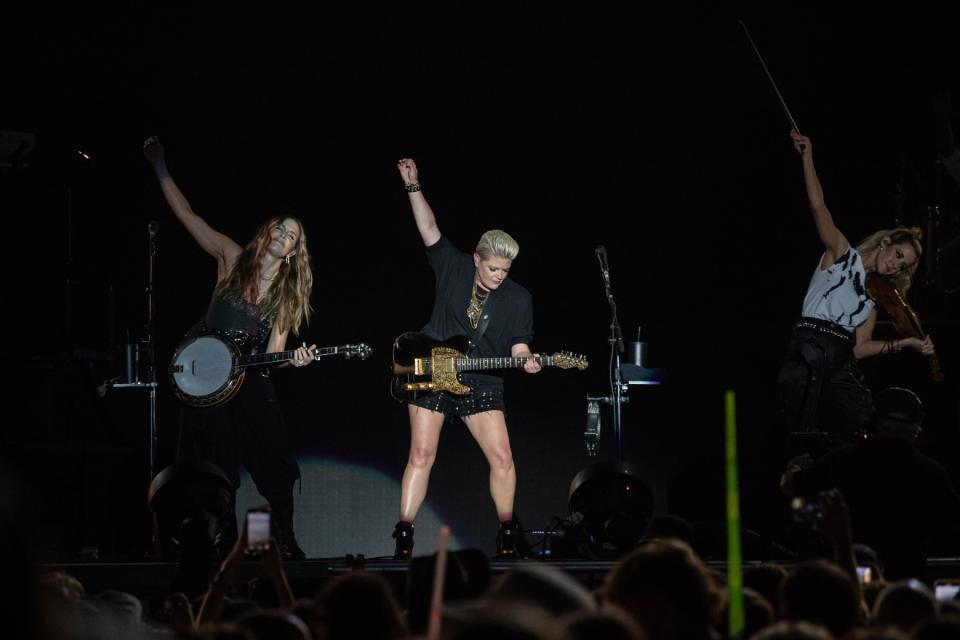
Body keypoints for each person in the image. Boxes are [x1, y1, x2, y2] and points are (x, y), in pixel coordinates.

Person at [143, 136, 315, 560]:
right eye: (279, 227)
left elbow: (275, 354)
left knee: (272, 460)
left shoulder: (288, 297)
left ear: (294, 252)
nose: (282, 235)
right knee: (217, 465)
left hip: (251, 375)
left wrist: (294, 360)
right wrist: (160, 165)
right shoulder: (230, 257)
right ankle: (224, 538)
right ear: (267, 233)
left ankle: (284, 536)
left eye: (291, 235)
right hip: (209, 376)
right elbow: (187, 215)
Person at [392, 157, 540, 559]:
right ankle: (403, 537)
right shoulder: (453, 266)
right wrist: (413, 186)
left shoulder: (518, 298)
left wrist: (526, 359)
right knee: (421, 454)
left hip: (483, 380)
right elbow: (428, 228)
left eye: (506, 270)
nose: (499, 276)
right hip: (433, 367)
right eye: (493, 268)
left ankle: (507, 534)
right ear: (477, 258)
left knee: (503, 457)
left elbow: (520, 342)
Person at [777, 130, 936, 443]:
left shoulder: (873, 298)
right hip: (810, 342)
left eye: (903, 266)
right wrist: (807, 157)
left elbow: (860, 348)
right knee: (800, 428)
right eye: (897, 255)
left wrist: (907, 344)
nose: (895, 265)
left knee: (862, 422)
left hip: (839, 358)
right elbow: (819, 207)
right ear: (886, 242)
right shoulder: (841, 252)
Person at [781, 386, 960, 580]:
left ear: (874, 420)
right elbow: (950, 521)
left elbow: (791, 488)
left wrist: (794, 469)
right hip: (905, 579)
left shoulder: (842, 461)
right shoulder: (931, 472)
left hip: (847, 576)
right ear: (917, 426)